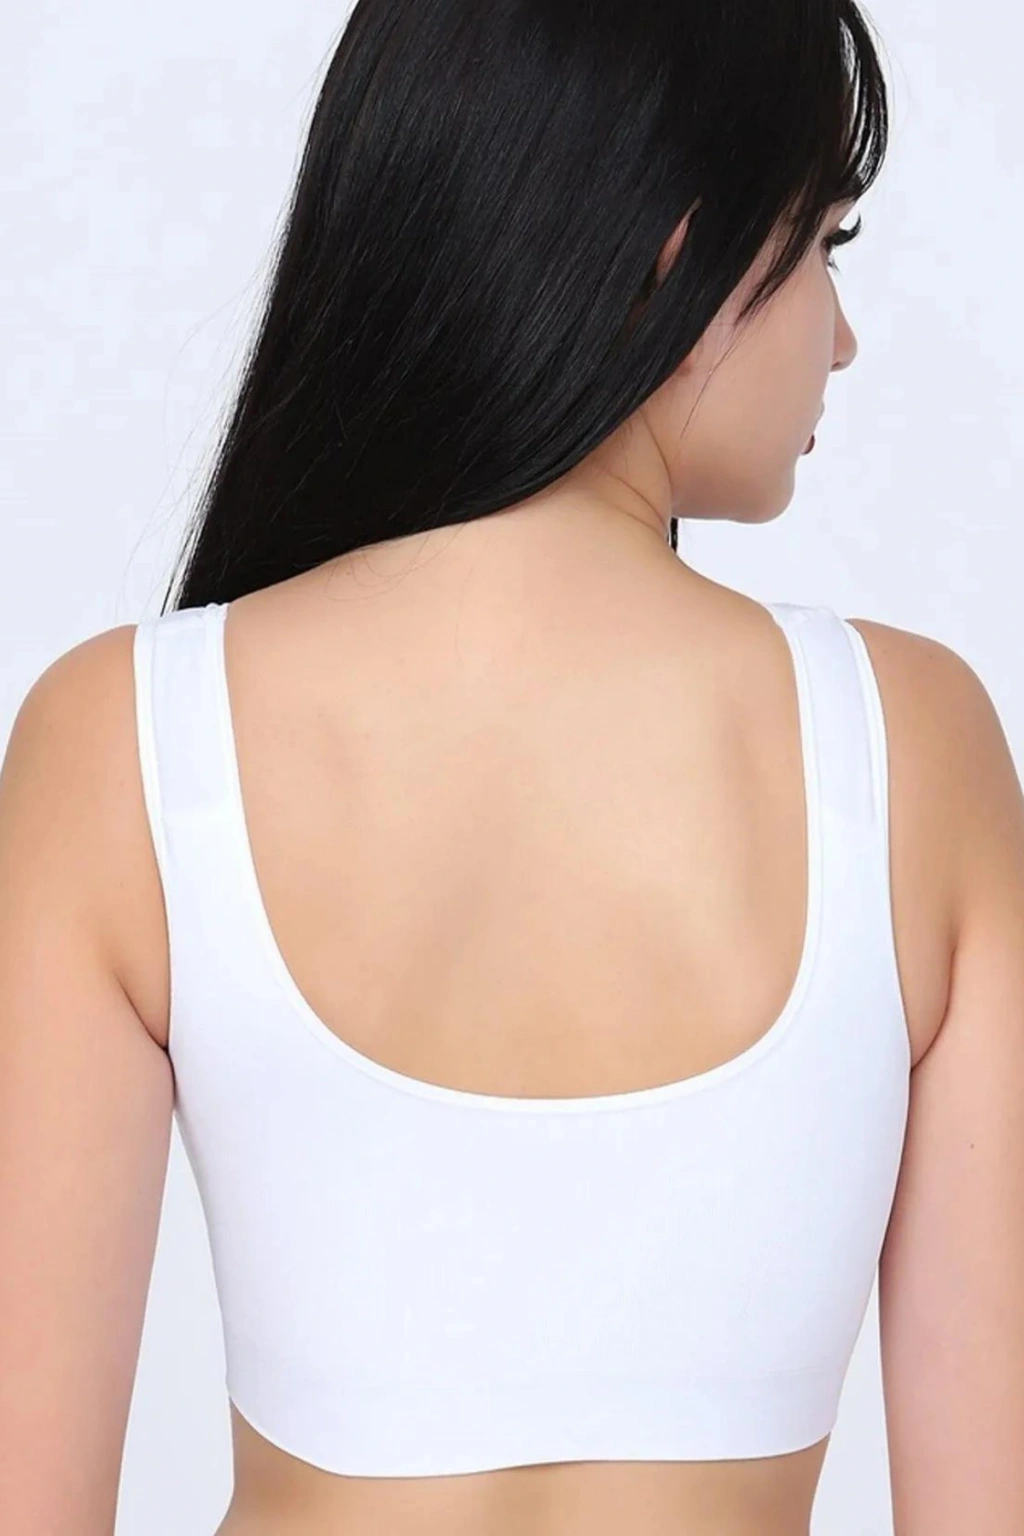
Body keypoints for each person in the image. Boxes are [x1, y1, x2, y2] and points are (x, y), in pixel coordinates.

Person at [2, 1, 1022, 1533]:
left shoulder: (125, 741)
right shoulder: (913, 748)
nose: (844, 334)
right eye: (827, 245)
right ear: (680, 255)